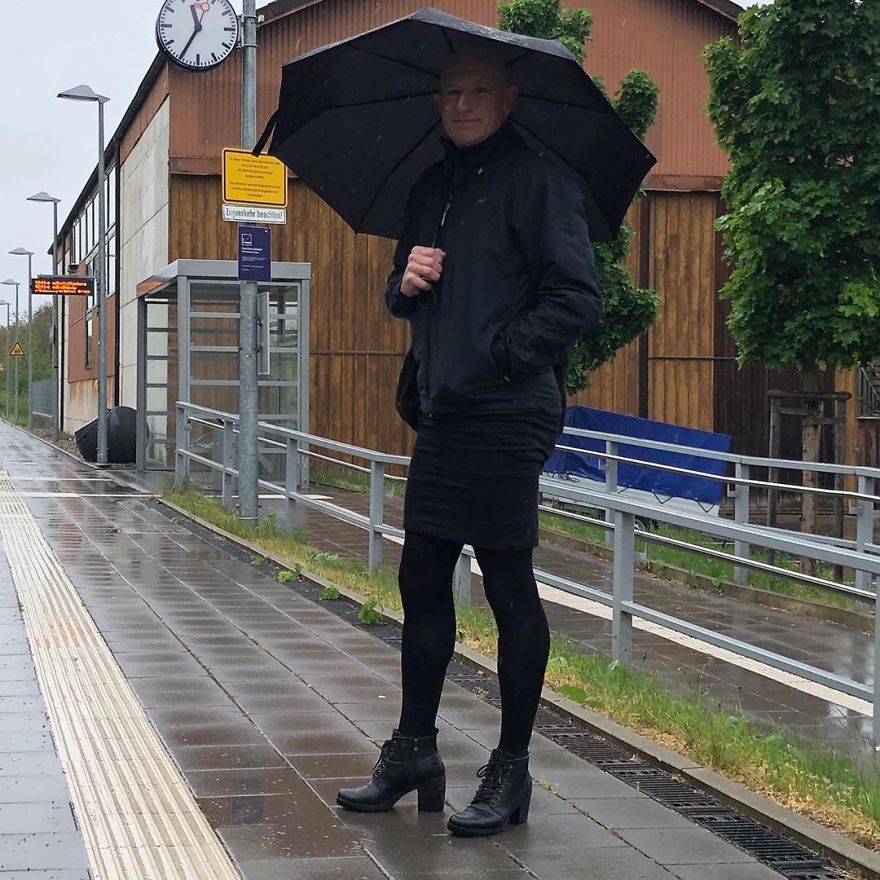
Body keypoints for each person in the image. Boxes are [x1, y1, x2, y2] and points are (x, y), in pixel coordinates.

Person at [337, 49, 602, 837]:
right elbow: (405, 295)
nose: (463, 103)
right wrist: (403, 282)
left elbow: (576, 297)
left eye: (479, 90)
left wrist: (497, 353)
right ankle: (414, 751)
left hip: (510, 409)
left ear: (508, 99)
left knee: (506, 582)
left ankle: (511, 772)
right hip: (446, 412)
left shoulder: (540, 183)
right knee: (420, 575)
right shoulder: (432, 189)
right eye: (451, 91)